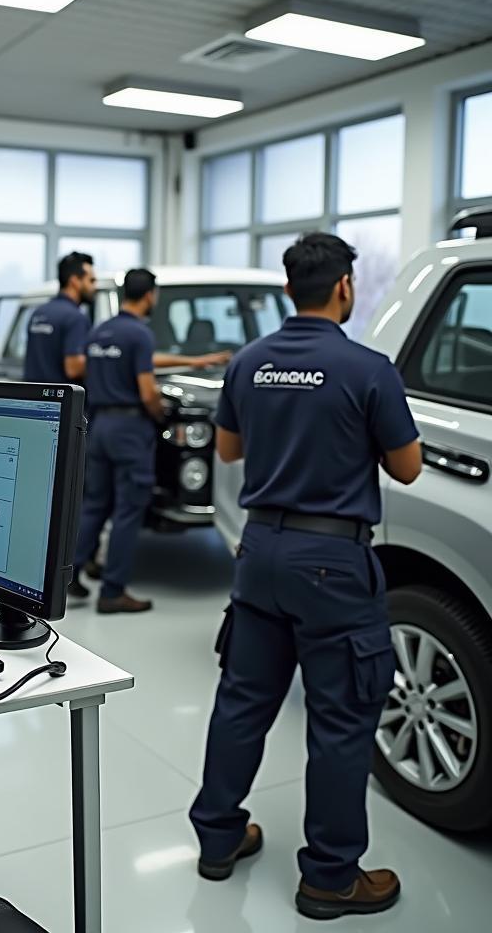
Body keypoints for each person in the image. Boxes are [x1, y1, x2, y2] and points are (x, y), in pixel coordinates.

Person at [189, 233, 421, 920]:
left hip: (259, 555)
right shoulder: (367, 368)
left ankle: (219, 839)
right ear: (345, 287)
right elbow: (406, 468)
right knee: (341, 722)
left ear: (289, 288)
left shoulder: (249, 363)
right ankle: (329, 876)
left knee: (242, 702)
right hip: (334, 565)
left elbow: (229, 450)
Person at [69, 268, 164, 614]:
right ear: (150, 295)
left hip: (99, 425)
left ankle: (69, 577)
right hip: (129, 429)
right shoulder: (140, 335)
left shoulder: (99, 332)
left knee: (95, 505)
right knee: (128, 510)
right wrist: (159, 413)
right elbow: (147, 390)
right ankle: (112, 591)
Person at [23, 251, 95, 383]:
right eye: (91, 281)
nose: (94, 287)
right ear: (74, 281)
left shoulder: (38, 313)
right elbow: (73, 368)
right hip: (63, 400)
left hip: (36, 400)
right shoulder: (75, 318)